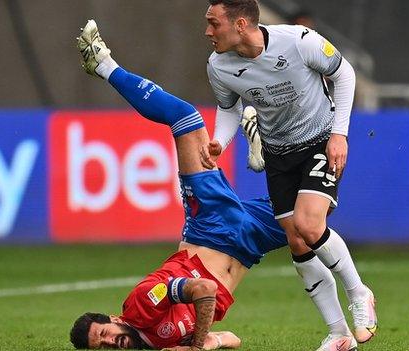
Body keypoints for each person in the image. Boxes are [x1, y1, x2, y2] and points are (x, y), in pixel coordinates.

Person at [71, 19, 293, 350]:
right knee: (315, 213)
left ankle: (103, 64)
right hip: (249, 244)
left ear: (114, 320)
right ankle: (269, 154)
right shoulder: (159, 345)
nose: (110, 344)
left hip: (212, 228)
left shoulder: (141, 305)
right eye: (100, 348)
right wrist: (208, 342)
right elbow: (232, 339)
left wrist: (196, 345)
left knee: (185, 119)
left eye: (104, 335)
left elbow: (204, 289)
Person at [201, 0, 377, 349]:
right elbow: (228, 109)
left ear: (239, 24)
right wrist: (219, 142)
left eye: (213, 23)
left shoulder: (299, 41)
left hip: (320, 142)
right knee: (296, 239)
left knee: (310, 225)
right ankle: (340, 334)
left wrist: (339, 134)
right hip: (278, 154)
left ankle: (359, 292)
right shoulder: (219, 66)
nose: (207, 32)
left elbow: (344, 74)